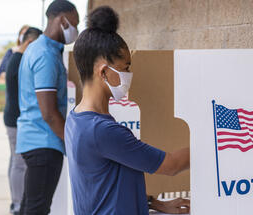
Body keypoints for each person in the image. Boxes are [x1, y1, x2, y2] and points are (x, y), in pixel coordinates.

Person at [65, 6, 190, 215]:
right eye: (125, 68)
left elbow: (105, 184)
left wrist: (155, 203)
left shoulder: (76, 118)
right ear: (104, 71)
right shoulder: (102, 130)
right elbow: (172, 165)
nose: (129, 75)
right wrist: (209, 145)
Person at [16, 0, 79, 214]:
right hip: (44, 143)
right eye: (74, 24)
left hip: (34, 140)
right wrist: (72, 144)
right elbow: (49, 113)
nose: (76, 30)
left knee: (30, 206)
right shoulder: (45, 56)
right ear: (62, 21)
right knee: (37, 209)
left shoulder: (37, 49)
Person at [4, 27, 43, 215]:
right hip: (15, 119)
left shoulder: (16, 58)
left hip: (12, 117)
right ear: (28, 43)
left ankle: (16, 203)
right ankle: (18, 206)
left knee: (15, 161)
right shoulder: (19, 61)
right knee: (19, 164)